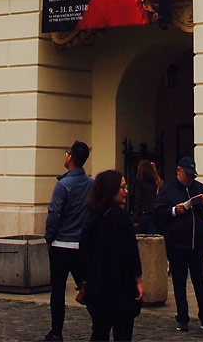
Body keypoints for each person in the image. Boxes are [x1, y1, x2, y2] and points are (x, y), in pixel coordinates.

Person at [154, 157, 203, 333]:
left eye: (192, 175)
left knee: (201, 283)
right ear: (179, 171)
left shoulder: (200, 188)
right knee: (179, 283)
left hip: (198, 245)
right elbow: (158, 212)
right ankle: (182, 318)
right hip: (177, 245)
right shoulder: (168, 189)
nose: (190, 178)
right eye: (187, 174)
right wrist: (174, 211)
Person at [79, 169, 145, 342]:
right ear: (111, 189)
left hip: (97, 287)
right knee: (122, 332)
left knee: (99, 331)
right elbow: (131, 252)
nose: (126, 191)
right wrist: (138, 279)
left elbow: (84, 250)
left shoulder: (92, 215)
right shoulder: (121, 217)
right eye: (122, 187)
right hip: (119, 286)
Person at [42, 140, 93, 342]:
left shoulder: (63, 185)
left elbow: (54, 214)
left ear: (70, 157)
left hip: (61, 244)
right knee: (87, 287)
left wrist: (48, 237)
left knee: (58, 291)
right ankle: (100, 326)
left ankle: (56, 332)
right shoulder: (91, 184)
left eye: (67, 153)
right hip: (82, 245)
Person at [132, 158, 160, 234]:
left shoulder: (139, 183)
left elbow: (138, 200)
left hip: (142, 215)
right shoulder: (154, 184)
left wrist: (135, 218)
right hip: (152, 214)